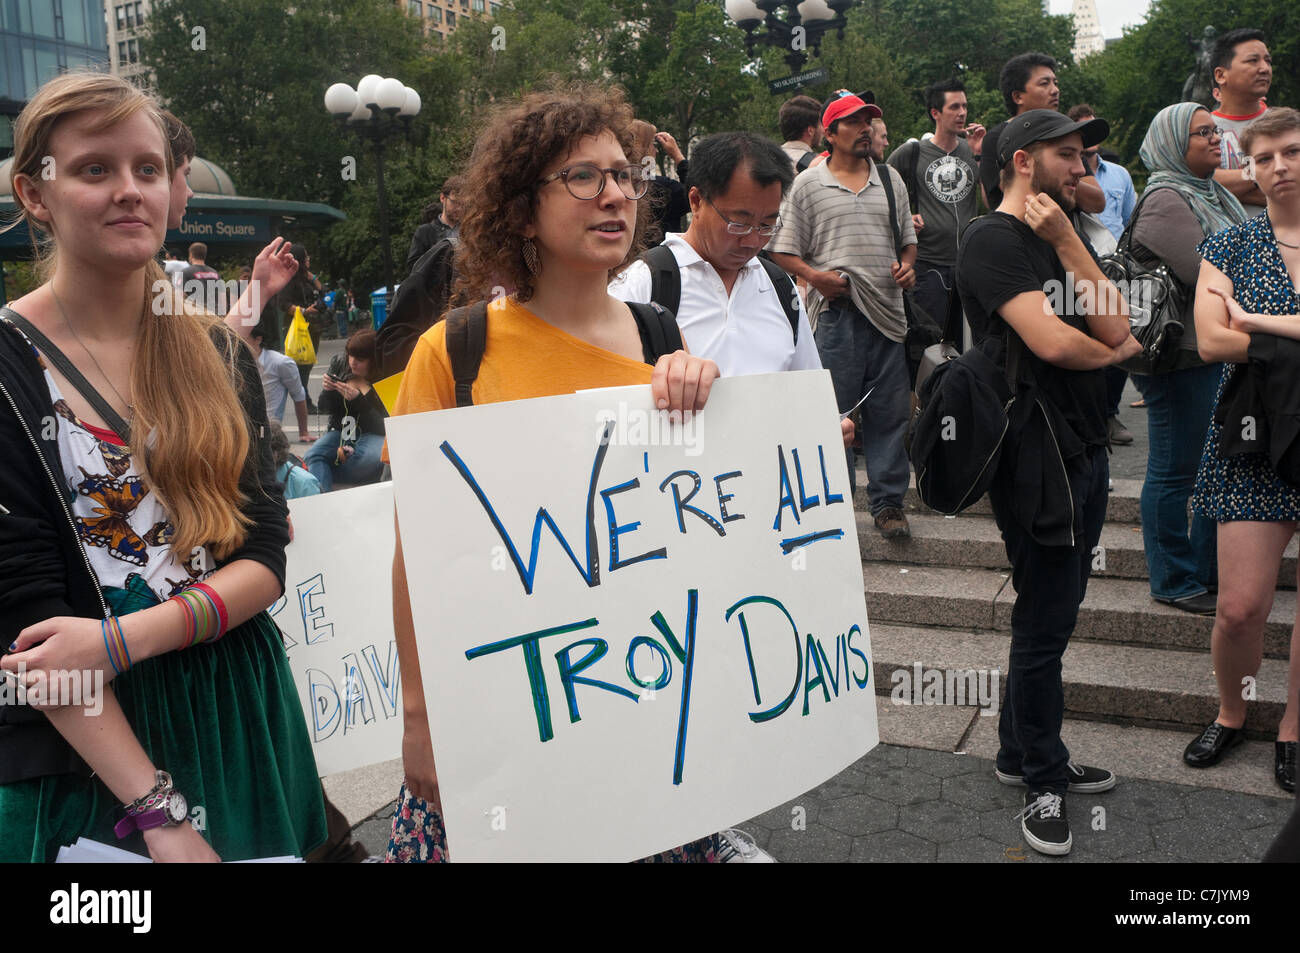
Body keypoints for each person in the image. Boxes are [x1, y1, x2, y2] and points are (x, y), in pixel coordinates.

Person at [382, 83, 731, 863]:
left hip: (640, 695)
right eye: (584, 177)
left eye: (625, 175)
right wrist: (419, 715)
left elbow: (693, 531)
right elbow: (417, 548)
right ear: (520, 205)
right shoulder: (455, 350)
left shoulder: (658, 336)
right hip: (501, 708)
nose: (615, 195)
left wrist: (706, 402)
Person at [0, 71, 325, 861]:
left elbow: (266, 554)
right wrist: (161, 814)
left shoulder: (216, 347)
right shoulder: (8, 367)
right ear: (34, 194)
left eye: (147, 169)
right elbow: (30, 636)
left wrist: (122, 638)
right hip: (88, 755)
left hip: (240, 716)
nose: (129, 191)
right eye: (93, 169)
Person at [956, 109, 1141, 855]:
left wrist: (1068, 239)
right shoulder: (990, 239)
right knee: (1045, 621)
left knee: (1049, 608)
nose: (1083, 168)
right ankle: (1042, 776)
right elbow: (1058, 340)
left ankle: (1017, 751)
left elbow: (1112, 316)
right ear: (1022, 160)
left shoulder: (1059, 235)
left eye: (1086, 154)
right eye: (1068, 155)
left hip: (1084, 446)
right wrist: (1120, 350)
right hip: (1039, 456)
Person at [1185, 107, 1300, 794]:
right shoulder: (1228, 243)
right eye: (1264, 158)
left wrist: (1252, 319)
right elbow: (1209, 340)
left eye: (1291, 151)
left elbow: (1235, 331)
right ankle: (1232, 711)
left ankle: (1293, 727)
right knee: (1239, 606)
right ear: (1250, 168)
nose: (1280, 166)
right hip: (1252, 437)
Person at [769, 90, 917, 540]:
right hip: (835, 316)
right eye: (853, 122)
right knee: (832, 417)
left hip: (889, 315)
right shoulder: (809, 184)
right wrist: (815, 277)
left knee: (891, 415)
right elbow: (781, 251)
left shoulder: (891, 179)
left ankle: (889, 504)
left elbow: (908, 243)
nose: (865, 128)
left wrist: (908, 266)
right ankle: (829, 506)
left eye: (868, 121)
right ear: (829, 133)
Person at [1127, 103, 1248, 615]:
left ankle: (1207, 570)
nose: (1215, 139)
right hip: (1178, 358)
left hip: (1210, 350)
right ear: (1175, 142)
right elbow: (1212, 273)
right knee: (1176, 468)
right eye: (1202, 133)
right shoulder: (1164, 199)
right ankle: (1175, 578)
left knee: (1211, 465)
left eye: (1216, 131)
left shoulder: (1211, 191)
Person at [1068, 103, 1140, 445]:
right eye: (1083, 128)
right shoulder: (1071, 172)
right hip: (1082, 262)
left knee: (1123, 333)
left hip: (1118, 262)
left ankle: (1109, 412)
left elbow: (1131, 220)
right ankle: (1093, 417)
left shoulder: (1120, 175)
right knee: (1089, 335)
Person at [888, 78, 985, 328]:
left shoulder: (971, 150)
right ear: (936, 113)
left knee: (971, 340)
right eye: (954, 107)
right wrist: (904, 219)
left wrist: (979, 154)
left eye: (964, 106)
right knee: (932, 342)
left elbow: (991, 200)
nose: (962, 113)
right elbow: (881, 192)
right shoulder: (912, 153)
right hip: (928, 266)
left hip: (969, 264)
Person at [978, 53, 1106, 215]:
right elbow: (993, 199)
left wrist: (1059, 176)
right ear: (1018, 96)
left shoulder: (1067, 134)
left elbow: (1098, 202)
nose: (1055, 90)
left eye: (1056, 83)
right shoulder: (995, 138)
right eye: (1044, 83)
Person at [304, 329, 387, 492]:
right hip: (342, 430)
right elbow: (324, 407)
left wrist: (360, 400)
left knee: (370, 460)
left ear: (373, 359)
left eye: (360, 359)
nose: (353, 362)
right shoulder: (340, 363)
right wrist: (328, 390)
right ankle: (322, 500)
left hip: (374, 434)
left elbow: (385, 425)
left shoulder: (385, 373)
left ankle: (325, 474)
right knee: (313, 454)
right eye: (350, 355)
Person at [1209, 27, 1271, 214]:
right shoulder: (1202, 129)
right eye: (1253, 60)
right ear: (1221, 75)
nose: (1265, 68)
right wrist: (1261, 173)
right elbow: (1195, 187)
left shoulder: (1288, 126)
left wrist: (1221, 186)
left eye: (1268, 61)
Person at [249, 325, 311, 442]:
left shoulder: (281, 363)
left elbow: (299, 395)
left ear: (258, 339)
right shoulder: (237, 361)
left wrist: (303, 432)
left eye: (244, 338)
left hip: (268, 427)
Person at [404, 176, 465, 274]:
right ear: (442, 198)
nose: (459, 208)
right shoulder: (425, 232)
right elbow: (413, 268)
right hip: (437, 287)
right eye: (455, 202)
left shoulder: (470, 230)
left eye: (463, 204)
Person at [779, 94, 824, 173]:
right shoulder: (817, 164)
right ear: (810, 131)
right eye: (821, 124)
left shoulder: (767, 158)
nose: (824, 130)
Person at [179, 241, 222, 313]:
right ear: (204, 255)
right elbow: (222, 296)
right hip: (214, 315)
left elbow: (180, 295)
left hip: (195, 316)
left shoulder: (185, 272)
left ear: (191, 254)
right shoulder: (215, 273)